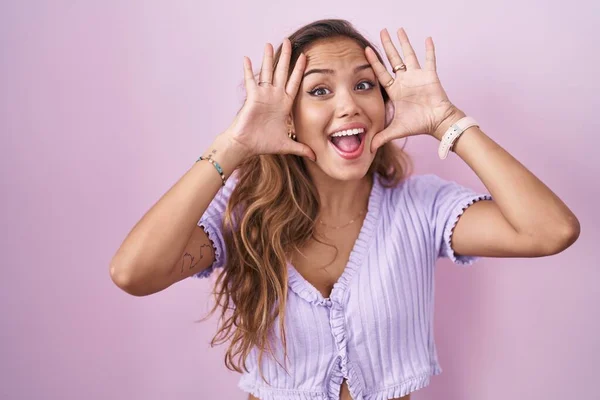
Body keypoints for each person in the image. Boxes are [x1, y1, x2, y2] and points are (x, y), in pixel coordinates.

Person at [109, 19, 580, 400]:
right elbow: (133, 273)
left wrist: (447, 121)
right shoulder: (241, 216)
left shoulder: (423, 208)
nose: (349, 105)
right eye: (319, 91)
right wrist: (233, 147)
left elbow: (551, 230)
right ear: (286, 118)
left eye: (364, 85)